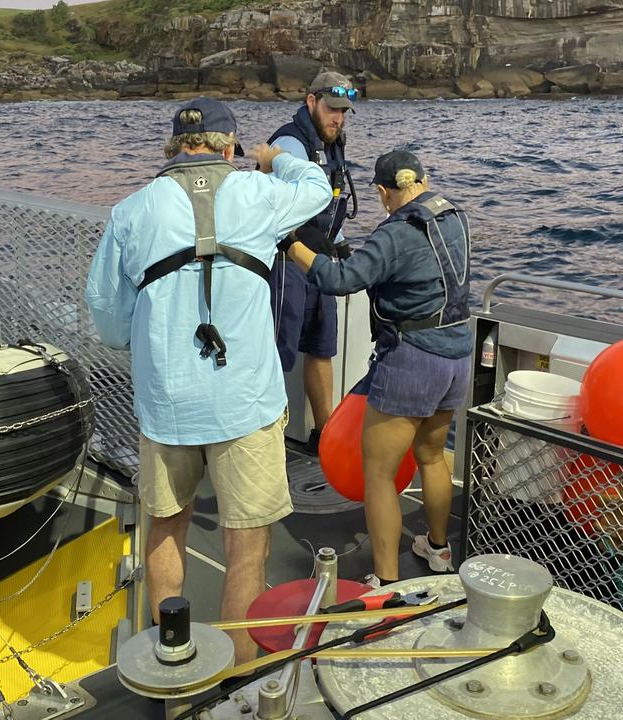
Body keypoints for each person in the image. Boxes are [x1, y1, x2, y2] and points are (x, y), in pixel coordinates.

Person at [86, 98, 332, 663]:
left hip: (167, 403)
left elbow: (106, 313)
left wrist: (143, 338)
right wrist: (276, 158)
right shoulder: (259, 193)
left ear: (175, 145)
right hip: (245, 402)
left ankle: (173, 660)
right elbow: (319, 188)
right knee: (246, 541)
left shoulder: (132, 211)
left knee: (168, 526)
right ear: (229, 145)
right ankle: (238, 677)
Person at [283, 149, 472, 587]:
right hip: (457, 354)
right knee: (430, 455)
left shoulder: (395, 232)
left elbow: (340, 281)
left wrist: (293, 247)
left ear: (385, 192)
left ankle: (386, 582)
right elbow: (416, 270)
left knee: (380, 475)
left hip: (412, 361)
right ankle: (438, 549)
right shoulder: (454, 215)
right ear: (422, 181)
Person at [267, 70, 360, 452]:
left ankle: (326, 436)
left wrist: (341, 247)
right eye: (331, 109)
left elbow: (331, 207)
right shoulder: (290, 143)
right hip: (288, 261)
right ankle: (265, 440)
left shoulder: (331, 142)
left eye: (343, 111)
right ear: (311, 102)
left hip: (320, 259)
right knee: (279, 350)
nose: (337, 118)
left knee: (321, 347)